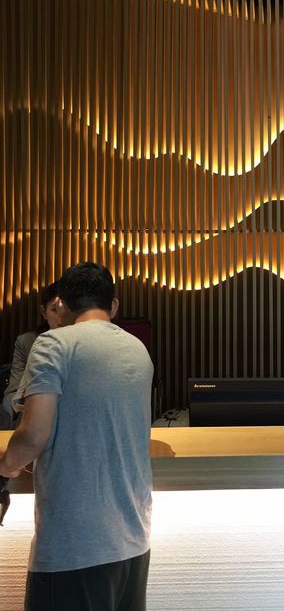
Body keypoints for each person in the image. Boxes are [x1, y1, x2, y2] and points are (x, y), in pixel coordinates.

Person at [0, 262, 154, 611]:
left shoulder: (54, 344)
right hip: (134, 539)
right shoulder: (137, 349)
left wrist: (3, 470)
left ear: (61, 303)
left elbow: (32, 436)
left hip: (75, 545)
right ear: (113, 305)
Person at [2, 282, 62, 423]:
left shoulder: (83, 342)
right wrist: (21, 404)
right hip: (34, 420)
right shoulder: (27, 342)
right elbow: (12, 393)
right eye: (55, 310)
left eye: (67, 311)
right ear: (43, 312)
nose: (61, 318)